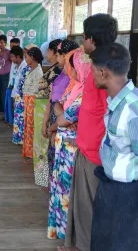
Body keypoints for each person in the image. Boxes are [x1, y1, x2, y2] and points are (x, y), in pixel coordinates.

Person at [89, 42, 138, 251]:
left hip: (128, 194)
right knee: (102, 242)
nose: (92, 75)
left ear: (103, 72)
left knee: (123, 245)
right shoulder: (118, 101)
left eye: (93, 71)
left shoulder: (135, 110)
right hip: (110, 186)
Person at [61, 14, 118, 251]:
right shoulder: (103, 62)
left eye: (83, 38)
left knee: (92, 207)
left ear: (90, 39)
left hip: (96, 149)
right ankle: (79, 245)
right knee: (83, 205)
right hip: (88, 143)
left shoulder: (103, 68)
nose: (82, 43)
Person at [47, 48, 83, 240]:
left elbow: (64, 117)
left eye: (75, 67)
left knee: (68, 192)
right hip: (64, 144)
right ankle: (62, 233)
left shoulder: (85, 90)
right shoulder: (73, 86)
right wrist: (60, 120)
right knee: (61, 190)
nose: (72, 71)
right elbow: (57, 104)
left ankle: (69, 236)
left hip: (72, 149)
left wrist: (60, 120)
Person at [33, 39, 62, 191]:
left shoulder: (59, 71)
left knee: (46, 146)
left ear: (55, 52)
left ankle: (47, 179)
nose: (46, 54)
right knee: (42, 145)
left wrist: (46, 120)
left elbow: (52, 98)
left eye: (48, 51)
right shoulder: (55, 68)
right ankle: (43, 178)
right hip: (44, 109)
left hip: (49, 111)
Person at [21, 47, 44, 161]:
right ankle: (29, 151)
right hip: (27, 99)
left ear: (33, 57)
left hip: (32, 100)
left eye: (27, 56)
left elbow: (36, 90)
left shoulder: (38, 72)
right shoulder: (31, 69)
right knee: (28, 126)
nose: (25, 58)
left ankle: (33, 152)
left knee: (31, 127)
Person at [12, 44, 34, 145]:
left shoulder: (28, 67)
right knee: (18, 119)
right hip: (19, 96)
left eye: (26, 53)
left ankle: (21, 139)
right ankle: (18, 139)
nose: (25, 55)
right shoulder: (24, 66)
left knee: (21, 120)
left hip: (24, 97)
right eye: (24, 53)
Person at [0, 35, 12, 118]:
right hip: (0, 76)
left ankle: (7, 114)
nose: (0, 44)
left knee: (5, 95)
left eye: (1, 42)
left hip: (7, 77)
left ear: (5, 43)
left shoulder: (8, 53)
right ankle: (1, 112)